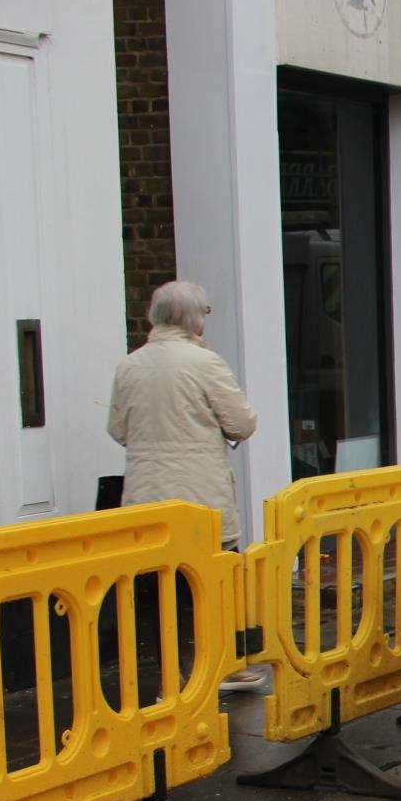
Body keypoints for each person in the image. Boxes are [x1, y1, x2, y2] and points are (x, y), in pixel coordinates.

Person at [108, 280, 263, 690]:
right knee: (211, 583)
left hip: (145, 498)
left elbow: (118, 429)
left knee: (156, 592)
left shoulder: (129, 365)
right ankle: (222, 667)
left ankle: (170, 676)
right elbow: (242, 423)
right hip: (200, 496)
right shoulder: (205, 363)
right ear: (194, 319)